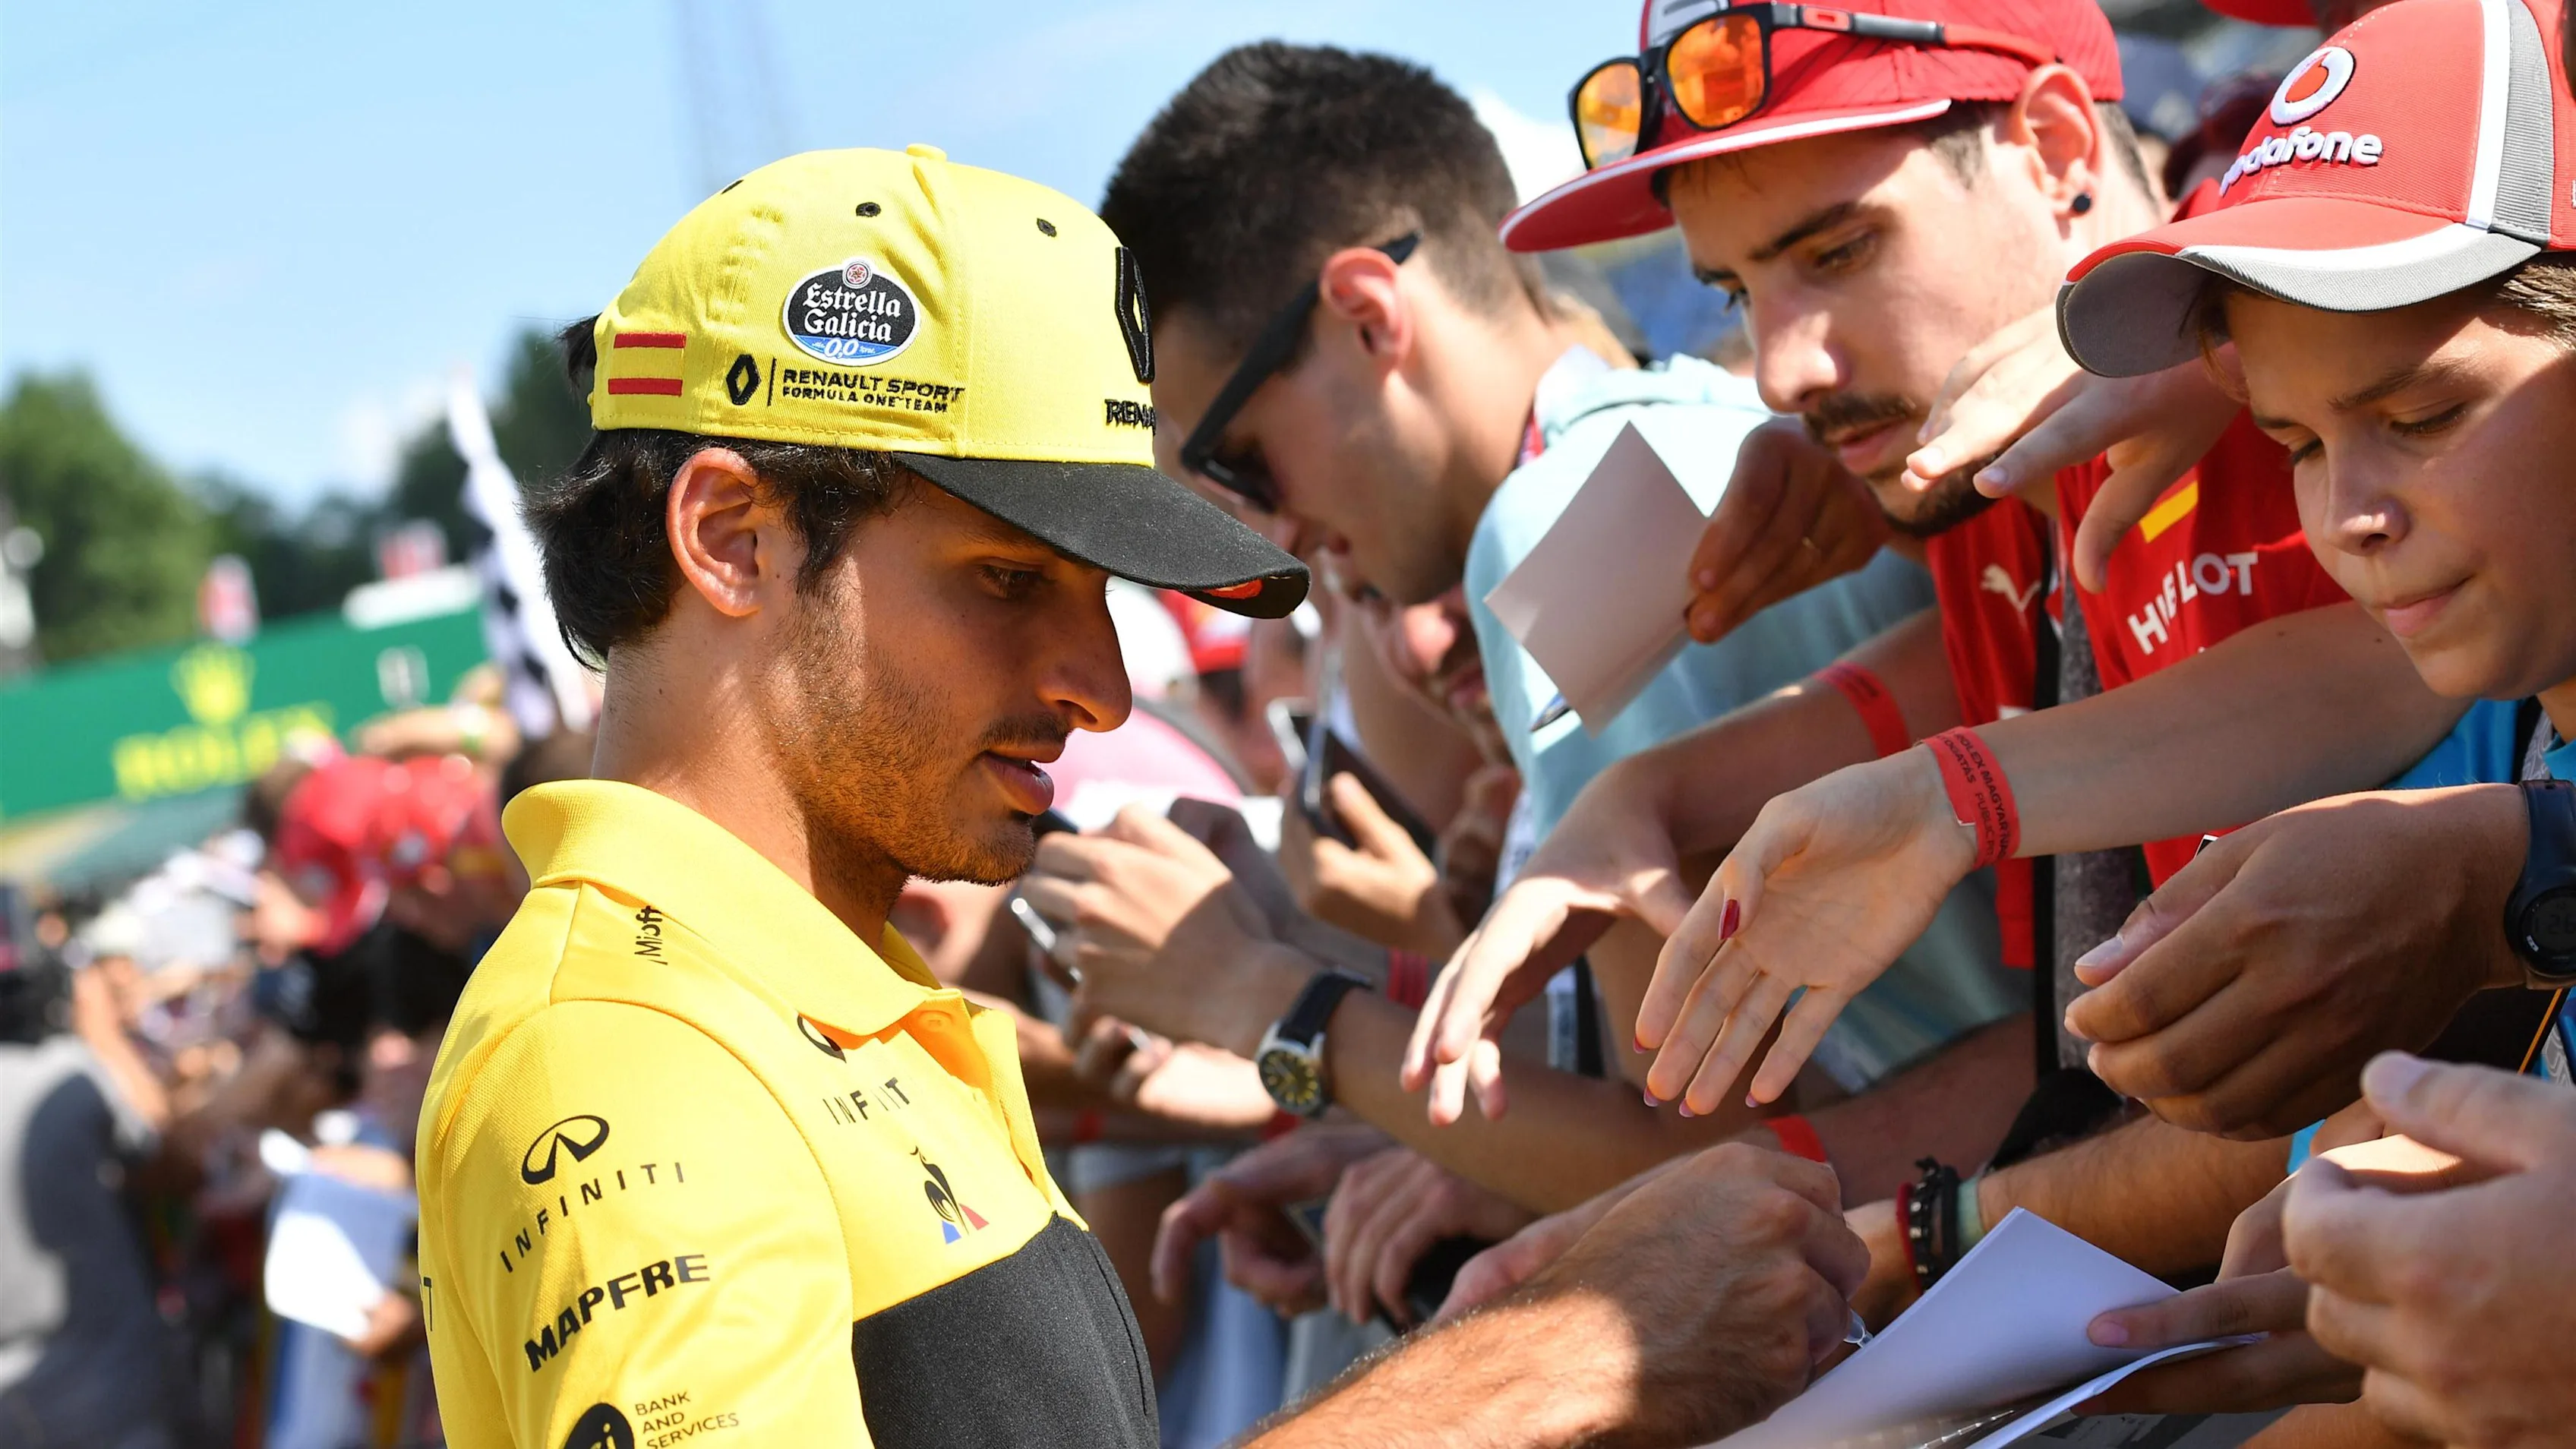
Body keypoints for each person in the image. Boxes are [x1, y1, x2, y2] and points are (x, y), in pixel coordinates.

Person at [413, 145, 1313, 1448]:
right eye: (1010, 579)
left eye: (1105, 596)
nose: (1105, 691)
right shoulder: (623, 1055)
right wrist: (1500, 1392)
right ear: (731, 537)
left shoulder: (813, 988)